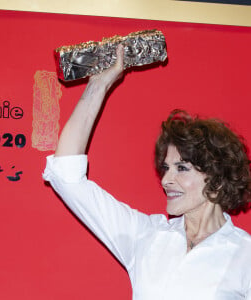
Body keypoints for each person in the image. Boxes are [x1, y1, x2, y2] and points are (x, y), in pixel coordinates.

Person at [43, 45, 251, 299]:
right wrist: (98, 86)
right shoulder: (146, 235)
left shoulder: (245, 255)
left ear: (217, 178)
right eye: (165, 168)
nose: (166, 180)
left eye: (181, 168)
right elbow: (67, 176)